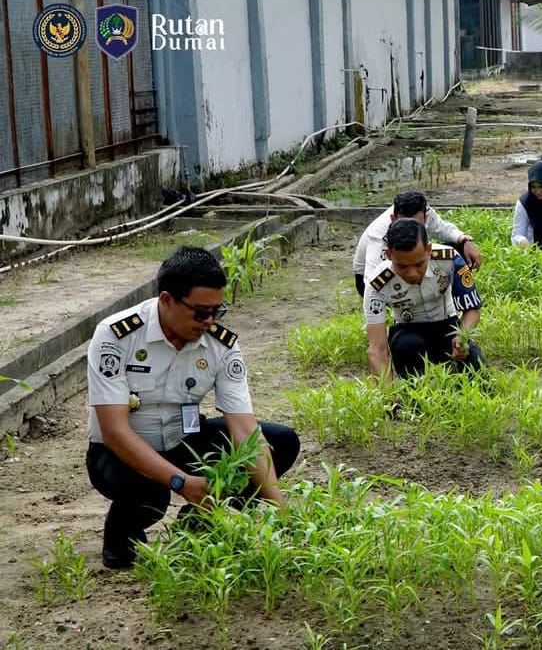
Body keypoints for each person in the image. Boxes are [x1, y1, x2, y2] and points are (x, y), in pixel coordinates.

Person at [85, 247, 300, 569]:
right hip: (119, 452)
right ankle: (122, 532)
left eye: (217, 311)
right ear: (167, 300)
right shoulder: (117, 335)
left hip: (182, 438)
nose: (209, 322)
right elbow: (115, 432)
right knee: (150, 495)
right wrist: (181, 482)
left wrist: (282, 512)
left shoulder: (221, 345)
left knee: (280, 442)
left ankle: (197, 521)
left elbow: (245, 430)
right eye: (200, 313)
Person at [365, 219, 484, 380]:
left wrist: (462, 336)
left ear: (428, 250)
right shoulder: (378, 284)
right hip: (407, 331)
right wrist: (388, 391)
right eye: (402, 267)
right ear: (388, 255)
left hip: (447, 325)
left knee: (478, 372)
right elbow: (377, 349)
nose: (412, 273)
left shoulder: (449, 259)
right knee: (406, 347)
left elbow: (472, 309)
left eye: (419, 264)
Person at [353, 190, 481, 296]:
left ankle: (459, 294)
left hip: (410, 265)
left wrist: (466, 240)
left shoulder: (425, 211)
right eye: (404, 224)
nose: (411, 230)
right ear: (393, 219)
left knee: (458, 249)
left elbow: (444, 229)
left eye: (417, 224)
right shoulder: (379, 235)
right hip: (381, 277)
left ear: (425, 218)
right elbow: (370, 281)